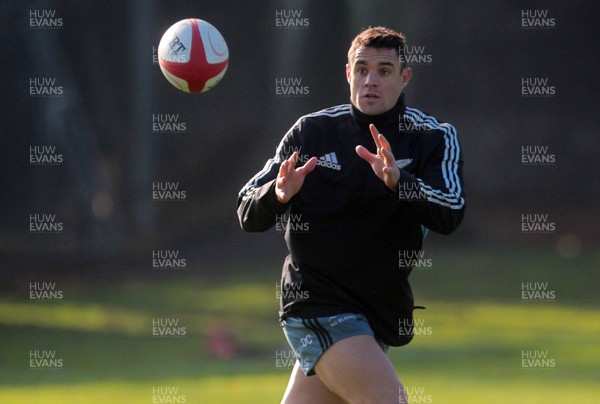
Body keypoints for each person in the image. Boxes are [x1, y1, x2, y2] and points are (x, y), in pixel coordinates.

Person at [237, 26, 465, 403]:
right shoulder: (311, 132)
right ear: (348, 74)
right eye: (362, 69)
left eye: (384, 71)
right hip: (314, 302)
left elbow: (451, 212)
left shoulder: (433, 137)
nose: (371, 81)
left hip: (375, 311)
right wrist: (277, 195)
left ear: (404, 77)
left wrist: (400, 182)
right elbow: (247, 209)